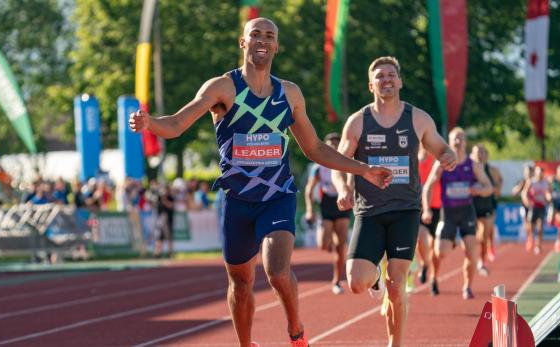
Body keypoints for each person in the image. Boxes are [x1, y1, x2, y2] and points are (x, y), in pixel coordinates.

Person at [129, 18, 392, 347]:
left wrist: (362, 169)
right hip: (236, 201)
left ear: (277, 46)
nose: (263, 40)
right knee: (240, 283)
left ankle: (296, 333)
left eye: (270, 36)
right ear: (243, 42)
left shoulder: (290, 93)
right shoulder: (223, 88)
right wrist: (150, 123)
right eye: (256, 34)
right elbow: (179, 123)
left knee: (278, 271)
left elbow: (314, 148)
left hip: (277, 195)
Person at [332, 56, 456, 347]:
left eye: (391, 75)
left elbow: (441, 147)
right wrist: (341, 189)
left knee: (397, 285)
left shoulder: (417, 118)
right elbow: (338, 162)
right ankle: (373, 274)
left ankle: (395, 344)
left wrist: (448, 155)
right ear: (370, 85)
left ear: (399, 81)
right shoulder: (358, 121)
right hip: (369, 211)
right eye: (380, 76)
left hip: (405, 210)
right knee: (356, 283)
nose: (386, 80)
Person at [422, 127, 493, 300]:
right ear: (449, 141)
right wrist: (426, 209)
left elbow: (489, 187)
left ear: (465, 142)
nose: (458, 142)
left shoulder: (473, 165)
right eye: (455, 139)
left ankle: (467, 287)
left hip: (467, 212)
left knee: (472, 252)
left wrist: (479, 190)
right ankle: (434, 276)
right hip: (448, 213)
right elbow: (428, 186)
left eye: (461, 138)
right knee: (441, 252)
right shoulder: (441, 164)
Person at [304, 132, 352, 295]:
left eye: (335, 143)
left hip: (343, 202)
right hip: (326, 203)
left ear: (340, 145)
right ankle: (328, 234)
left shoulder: (345, 162)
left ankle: (337, 280)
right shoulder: (318, 167)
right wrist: (310, 209)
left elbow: (352, 182)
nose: (332, 146)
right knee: (323, 245)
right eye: (329, 143)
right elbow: (309, 189)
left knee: (340, 246)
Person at [470, 144, 502, 276]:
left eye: (482, 152)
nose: (479, 155)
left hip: (488, 205)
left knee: (484, 236)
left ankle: (482, 262)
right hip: (472, 206)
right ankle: (477, 257)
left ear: (486, 155)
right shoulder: (468, 169)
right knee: (475, 238)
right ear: (472, 154)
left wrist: (484, 189)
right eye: (477, 152)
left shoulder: (492, 170)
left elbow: (498, 189)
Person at [417, 146, 442, 286]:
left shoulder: (436, 160)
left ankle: (434, 277)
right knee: (420, 237)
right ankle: (424, 263)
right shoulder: (413, 159)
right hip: (419, 206)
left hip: (437, 205)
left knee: (435, 246)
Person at [522, 165, 551, 255]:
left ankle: (538, 245)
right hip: (532, 206)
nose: (540, 174)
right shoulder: (531, 182)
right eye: (538, 172)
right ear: (536, 173)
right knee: (530, 225)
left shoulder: (545, 183)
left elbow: (548, 193)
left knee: (540, 227)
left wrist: (549, 198)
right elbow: (524, 193)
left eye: (541, 173)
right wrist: (527, 202)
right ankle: (530, 238)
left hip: (541, 206)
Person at [512, 164, 534, 247]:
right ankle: (529, 237)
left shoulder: (535, 181)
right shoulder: (522, 181)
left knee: (532, 223)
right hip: (524, 206)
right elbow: (514, 192)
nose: (528, 174)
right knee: (526, 222)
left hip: (534, 206)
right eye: (526, 172)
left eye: (529, 172)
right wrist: (519, 187)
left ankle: (532, 237)